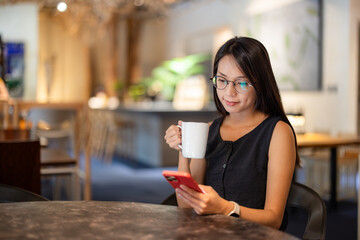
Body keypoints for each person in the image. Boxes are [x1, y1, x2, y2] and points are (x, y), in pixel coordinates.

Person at [164, 36, 299, 230]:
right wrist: (182, 149)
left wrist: (226, 208)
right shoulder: (210, 130)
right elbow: (186, 206)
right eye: (222, 81)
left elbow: (274, 219)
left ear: (260, 84)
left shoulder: (278, 132)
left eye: (241, 83)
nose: (229, 93)